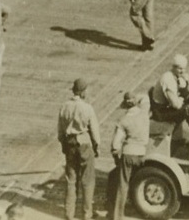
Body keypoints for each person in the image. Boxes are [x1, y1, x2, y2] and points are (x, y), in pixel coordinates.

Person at [57, 77, 100, 220]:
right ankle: (87, 214)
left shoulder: (64, 106)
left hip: (70, 144)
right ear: (83, 92)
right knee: (88, 180)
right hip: (84, 144)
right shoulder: (87, 108)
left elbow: (60, 130)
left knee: (71, 180)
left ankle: (69, 214)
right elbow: (94, 131)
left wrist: (64, 145)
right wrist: (96, 146)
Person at [108, 91, 149, 220]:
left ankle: (117, 216)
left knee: (122, 184)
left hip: (128, 153)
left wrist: (115, 154)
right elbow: (146, 98)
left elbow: (115, 144)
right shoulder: (144, 114)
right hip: (142, 153)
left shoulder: (124, 120)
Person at [149, 54, 189, 123]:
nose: (183, 71)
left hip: (167, 105)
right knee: (188, 109)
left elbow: (187, 89)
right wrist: (183, 97)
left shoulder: (177, 75)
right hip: (160, 111)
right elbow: (176, 105)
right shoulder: (168, 79)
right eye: (180, 68)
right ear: (173, 67)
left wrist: (187, 82)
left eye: (184, 68)